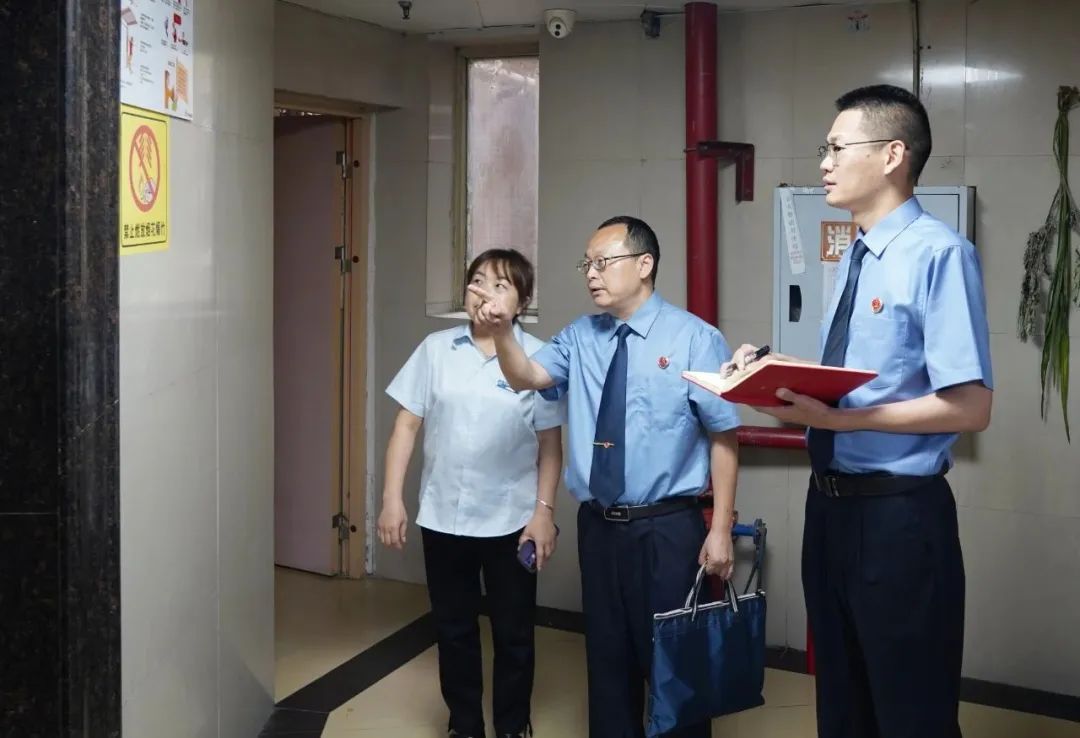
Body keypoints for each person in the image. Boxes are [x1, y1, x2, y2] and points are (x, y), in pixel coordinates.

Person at [726, 84, 993, 738]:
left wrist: (845, 423)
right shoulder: (856, 254)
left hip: (899, 518)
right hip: (831, 511)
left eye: (837, 148)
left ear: (892, 155)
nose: (824, 163)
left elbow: (971, 406)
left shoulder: (938, 254)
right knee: (843, 705)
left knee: (910, 711)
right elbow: (855, 384)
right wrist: (768, 375)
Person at [470, 216, 740, 738]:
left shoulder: (694, 338)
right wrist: (502, 332)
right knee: (608, 663)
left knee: (676, 669)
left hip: (668, 529)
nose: (591, 274)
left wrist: (722, 528)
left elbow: (723, 437)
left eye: (603, 262)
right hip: (598, 526)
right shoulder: (580, 336)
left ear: (644, 264)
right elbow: (527, 376)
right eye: (586, 264)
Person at [378, 248, 565, 738]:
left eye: (501, 285)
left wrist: (543, 513)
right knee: (453, 630)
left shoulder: (539, 358)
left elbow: (550, 446)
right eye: (477, 281)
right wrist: (392, 498)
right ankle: (464, 725)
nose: (484, 292)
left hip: (512, 521)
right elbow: (406, 426)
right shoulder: (435, 349)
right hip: (443, 516)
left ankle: (512, 725)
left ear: (522, 302)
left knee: (514, 632)